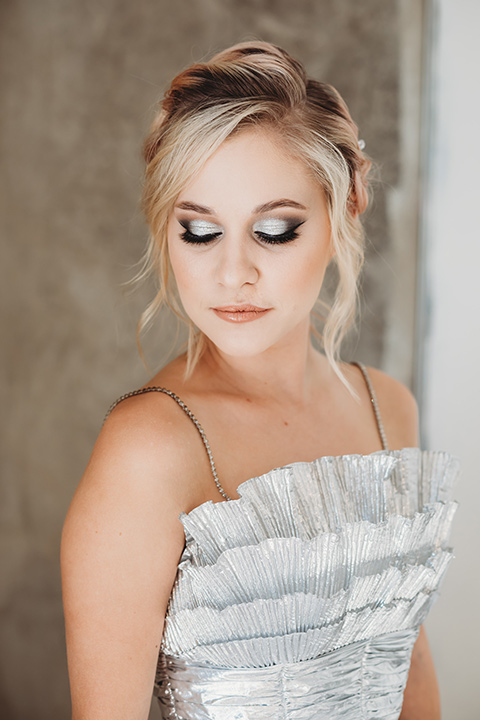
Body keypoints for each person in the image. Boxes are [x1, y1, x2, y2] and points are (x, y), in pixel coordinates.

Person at [61, 41, 458, 720]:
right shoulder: (149, 451)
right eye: (199, 232)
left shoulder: (388, 408)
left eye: (274, 230)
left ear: (345, 209)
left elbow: (408, 672)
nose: (233, 273)